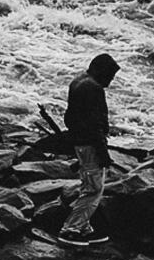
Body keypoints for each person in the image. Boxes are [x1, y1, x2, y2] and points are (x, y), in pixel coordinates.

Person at [47, 53, 121, 245]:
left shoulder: (78, 81)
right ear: (100, 71)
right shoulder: (93, 88)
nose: (110, 82)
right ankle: (71, 229)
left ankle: (84, 227)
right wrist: (103, 153)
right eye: (110, 76)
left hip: (80, 141)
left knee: (88, 184)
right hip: (90, 144)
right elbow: (95, 125)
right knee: (94, 188)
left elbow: (70, 117)